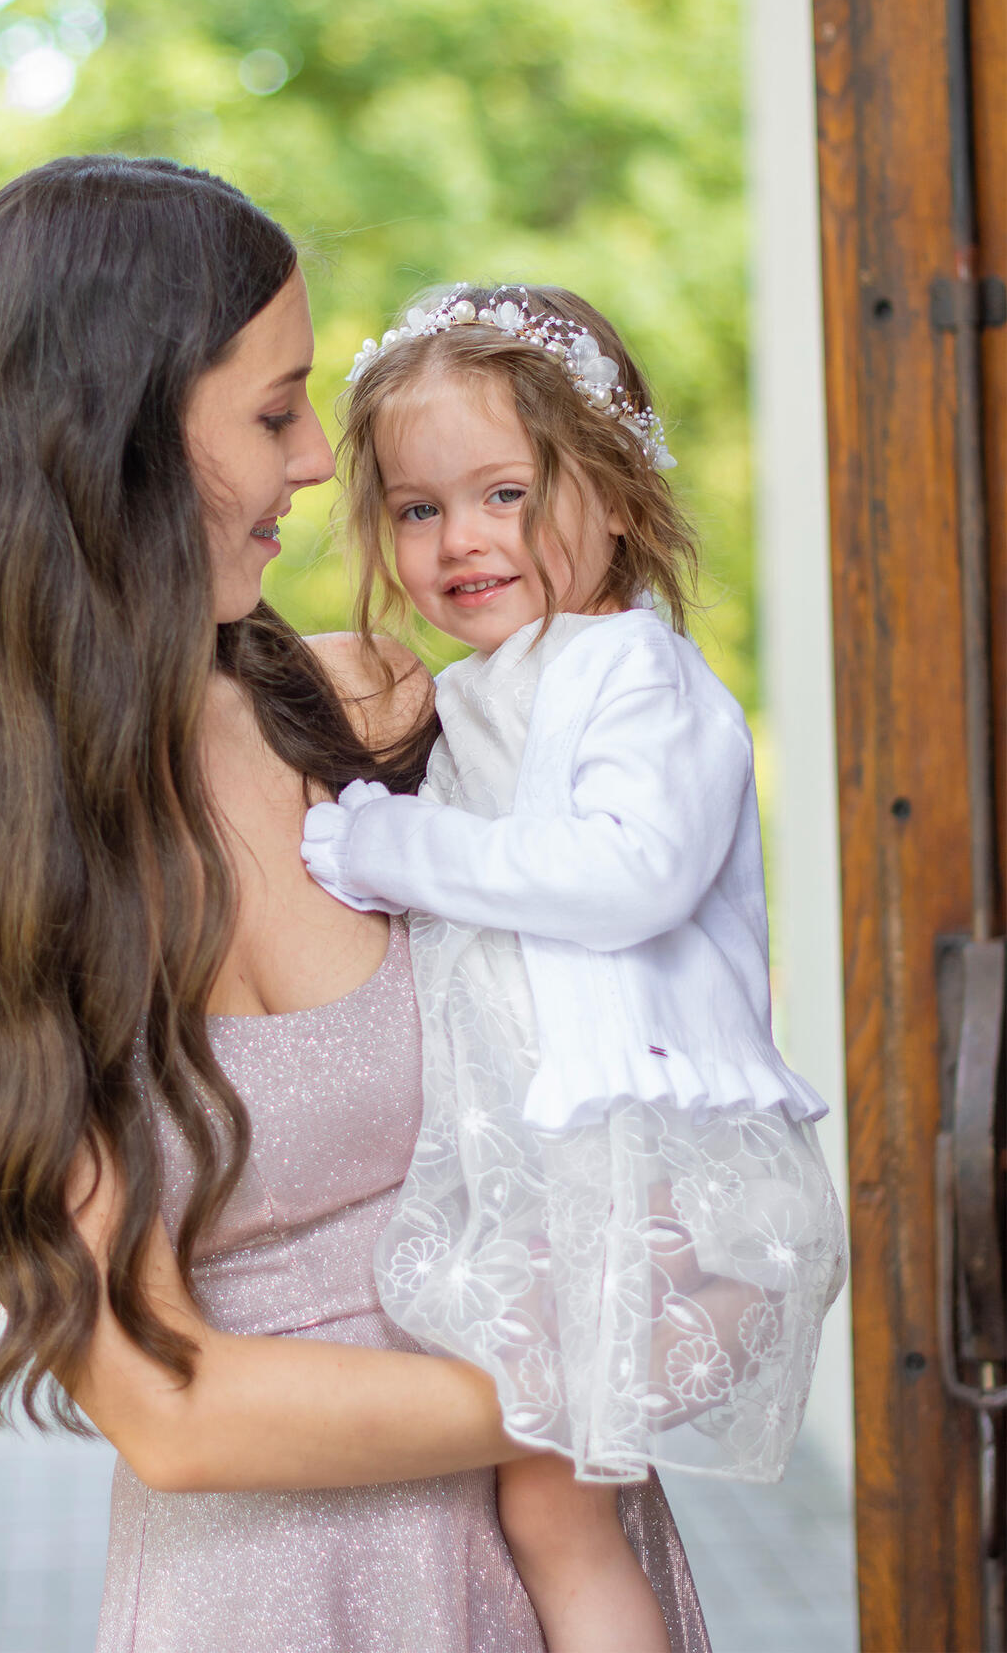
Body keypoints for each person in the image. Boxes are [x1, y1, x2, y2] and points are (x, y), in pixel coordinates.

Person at [0, 162, 712, 1653]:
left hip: (572, 1567)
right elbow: (171, 1407)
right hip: (280, 1599)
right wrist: (604, 1378)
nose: (320, 464)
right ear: (120, 440)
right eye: (275, 413)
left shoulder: (363, 712)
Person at [301, 283, 849, 1652]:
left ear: (615, 492)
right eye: (417, 509)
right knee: (536, 1507)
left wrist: (392, 848)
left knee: (556, 1517)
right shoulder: (494, 685)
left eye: (504, 493)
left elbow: (623, 877)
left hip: (640, 1166)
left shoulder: (634, 677)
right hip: (558, 1167)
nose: (459, 540)